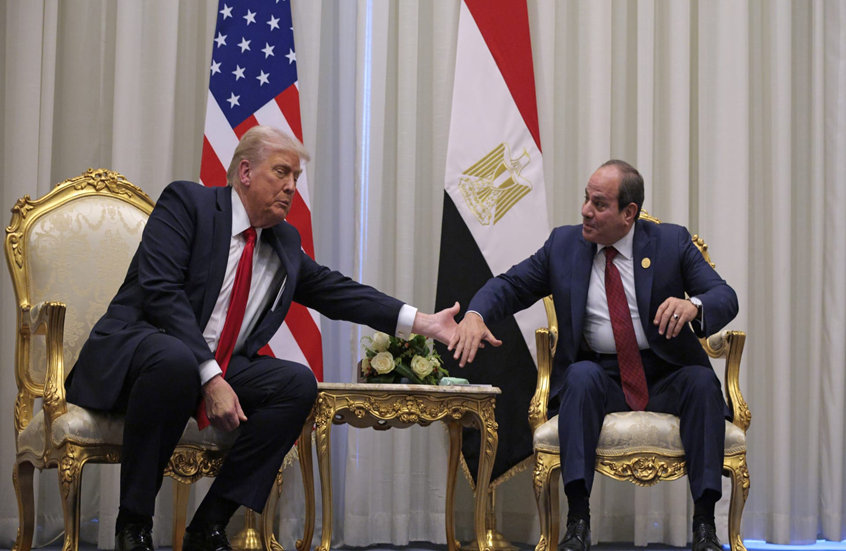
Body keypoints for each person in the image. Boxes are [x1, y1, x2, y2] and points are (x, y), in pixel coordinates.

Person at [66, 126, 458, 551]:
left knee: (296, 384)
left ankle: (209, 525)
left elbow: (338, 292)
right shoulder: (189, 204)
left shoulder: (283, 241)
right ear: (246, 172)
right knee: (176, 359)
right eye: (281, 172)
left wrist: (425, 323)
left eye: (296, 178)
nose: (291, 187)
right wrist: (211, 377)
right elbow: (162, 293)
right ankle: (134, 523)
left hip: (212, 366)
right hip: (144, 355)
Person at [449, 160, 737, 551]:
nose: (585, 210)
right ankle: (578, 522)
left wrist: (694, 306)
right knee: (580, 377)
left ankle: (705, 525)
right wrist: (475, 314)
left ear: (628, 213)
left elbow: (724, 295)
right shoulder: (564, 245)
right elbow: (511, 285)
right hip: (602, 378)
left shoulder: (670, 242)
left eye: (599, 204)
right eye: (586, 199)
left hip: (665, 374)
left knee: (702, 381)